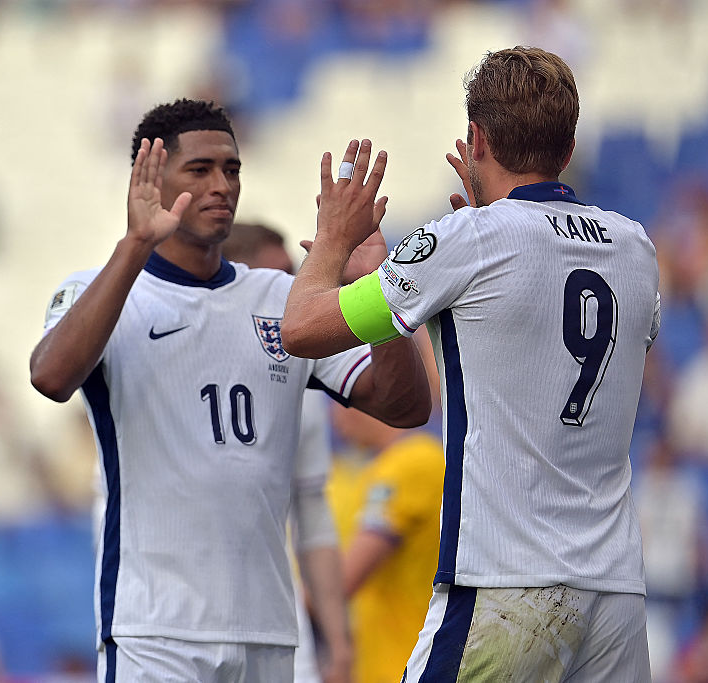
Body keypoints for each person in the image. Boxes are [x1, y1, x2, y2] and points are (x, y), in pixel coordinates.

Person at [281, 47, 661, 682]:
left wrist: (333, 241)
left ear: (476, 138)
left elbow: (300, 326)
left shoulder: (469, 241)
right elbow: (546, 317)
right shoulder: (636, 247)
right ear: (568, 148)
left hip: (507, 583)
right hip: (615, 592)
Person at [29, 99, 431, 683]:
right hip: (155, 632)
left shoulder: (281, 298)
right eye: (200, 170)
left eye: (232, 169)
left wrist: (377, 289)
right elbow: (50, 376)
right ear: (151, 179)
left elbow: (406, 407)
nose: (222, 185)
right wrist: (134, 245)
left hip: (266, 631)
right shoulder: (102, 292)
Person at [221, 220, 346, 683]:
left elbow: (312, 512)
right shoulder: (172, 358)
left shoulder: (300, 375)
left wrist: (338, 642)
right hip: (177, 626)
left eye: (293, 275)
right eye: (275, 276)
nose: (290, 291)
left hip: (279, 625)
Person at [328, 400, 444, 683]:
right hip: (381, 665)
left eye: (339, 397)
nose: (333, 416)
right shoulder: (380, 466)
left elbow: (343, 581)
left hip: (404, 663)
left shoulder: (412, 460)